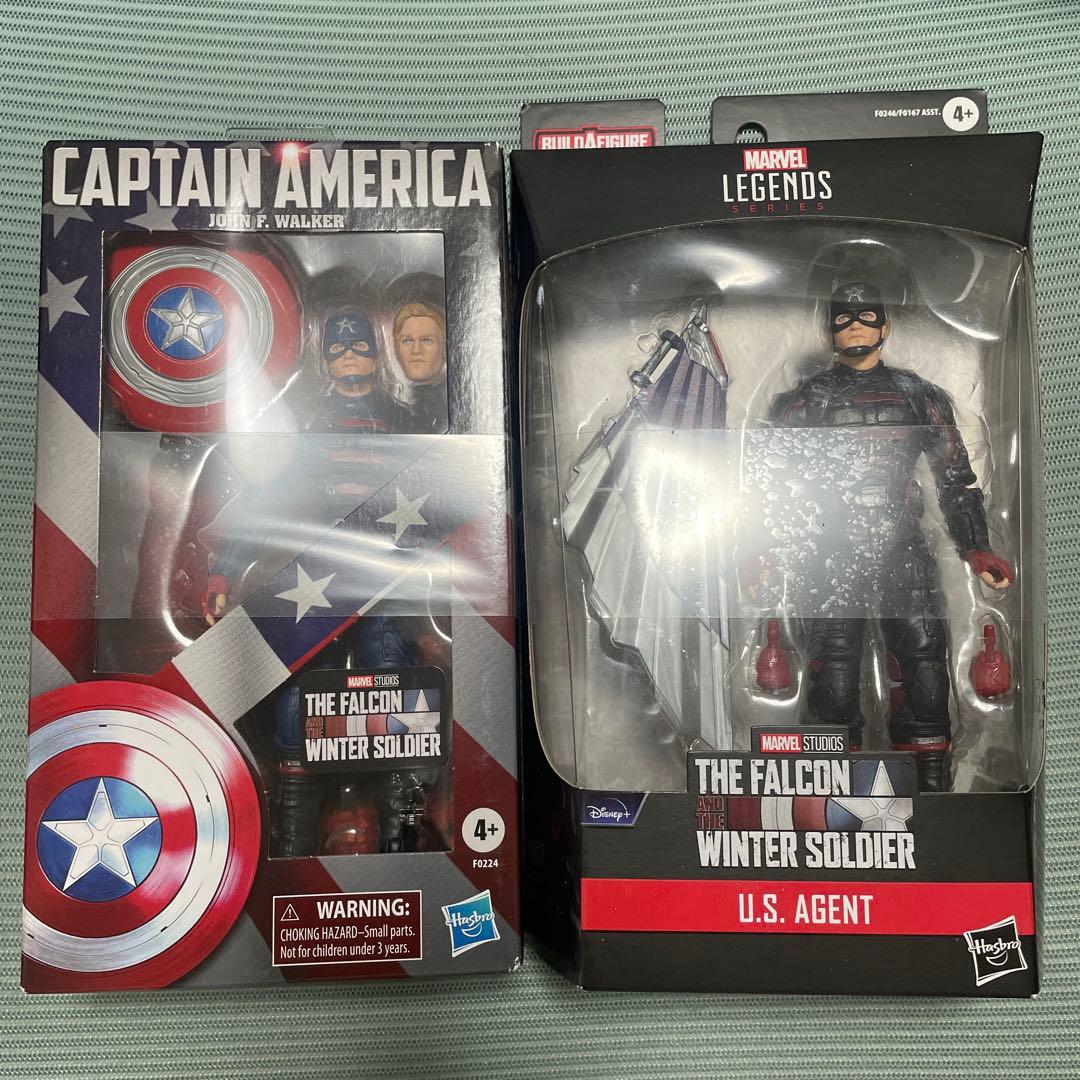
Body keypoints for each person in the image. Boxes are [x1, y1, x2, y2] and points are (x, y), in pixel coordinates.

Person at [765, 281, 1013, 791]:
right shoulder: (804, 402)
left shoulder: (919, 396)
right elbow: (771, 486)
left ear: (885, 324)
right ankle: (828, 800)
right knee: (833, 679)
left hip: (905, 551)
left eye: (866, 316)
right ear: (829, 329)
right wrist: (763, 550)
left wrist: (977, 548)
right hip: (831, 556)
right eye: (843, 317)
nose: (855, 326)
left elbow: (954, 480)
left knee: (924, 671)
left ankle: (930, 797)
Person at [392, 302, 448, 433]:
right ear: (396, 348)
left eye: (426, 340)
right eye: (407, 341)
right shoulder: (388, 399)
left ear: (444, 346)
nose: (416, 350)